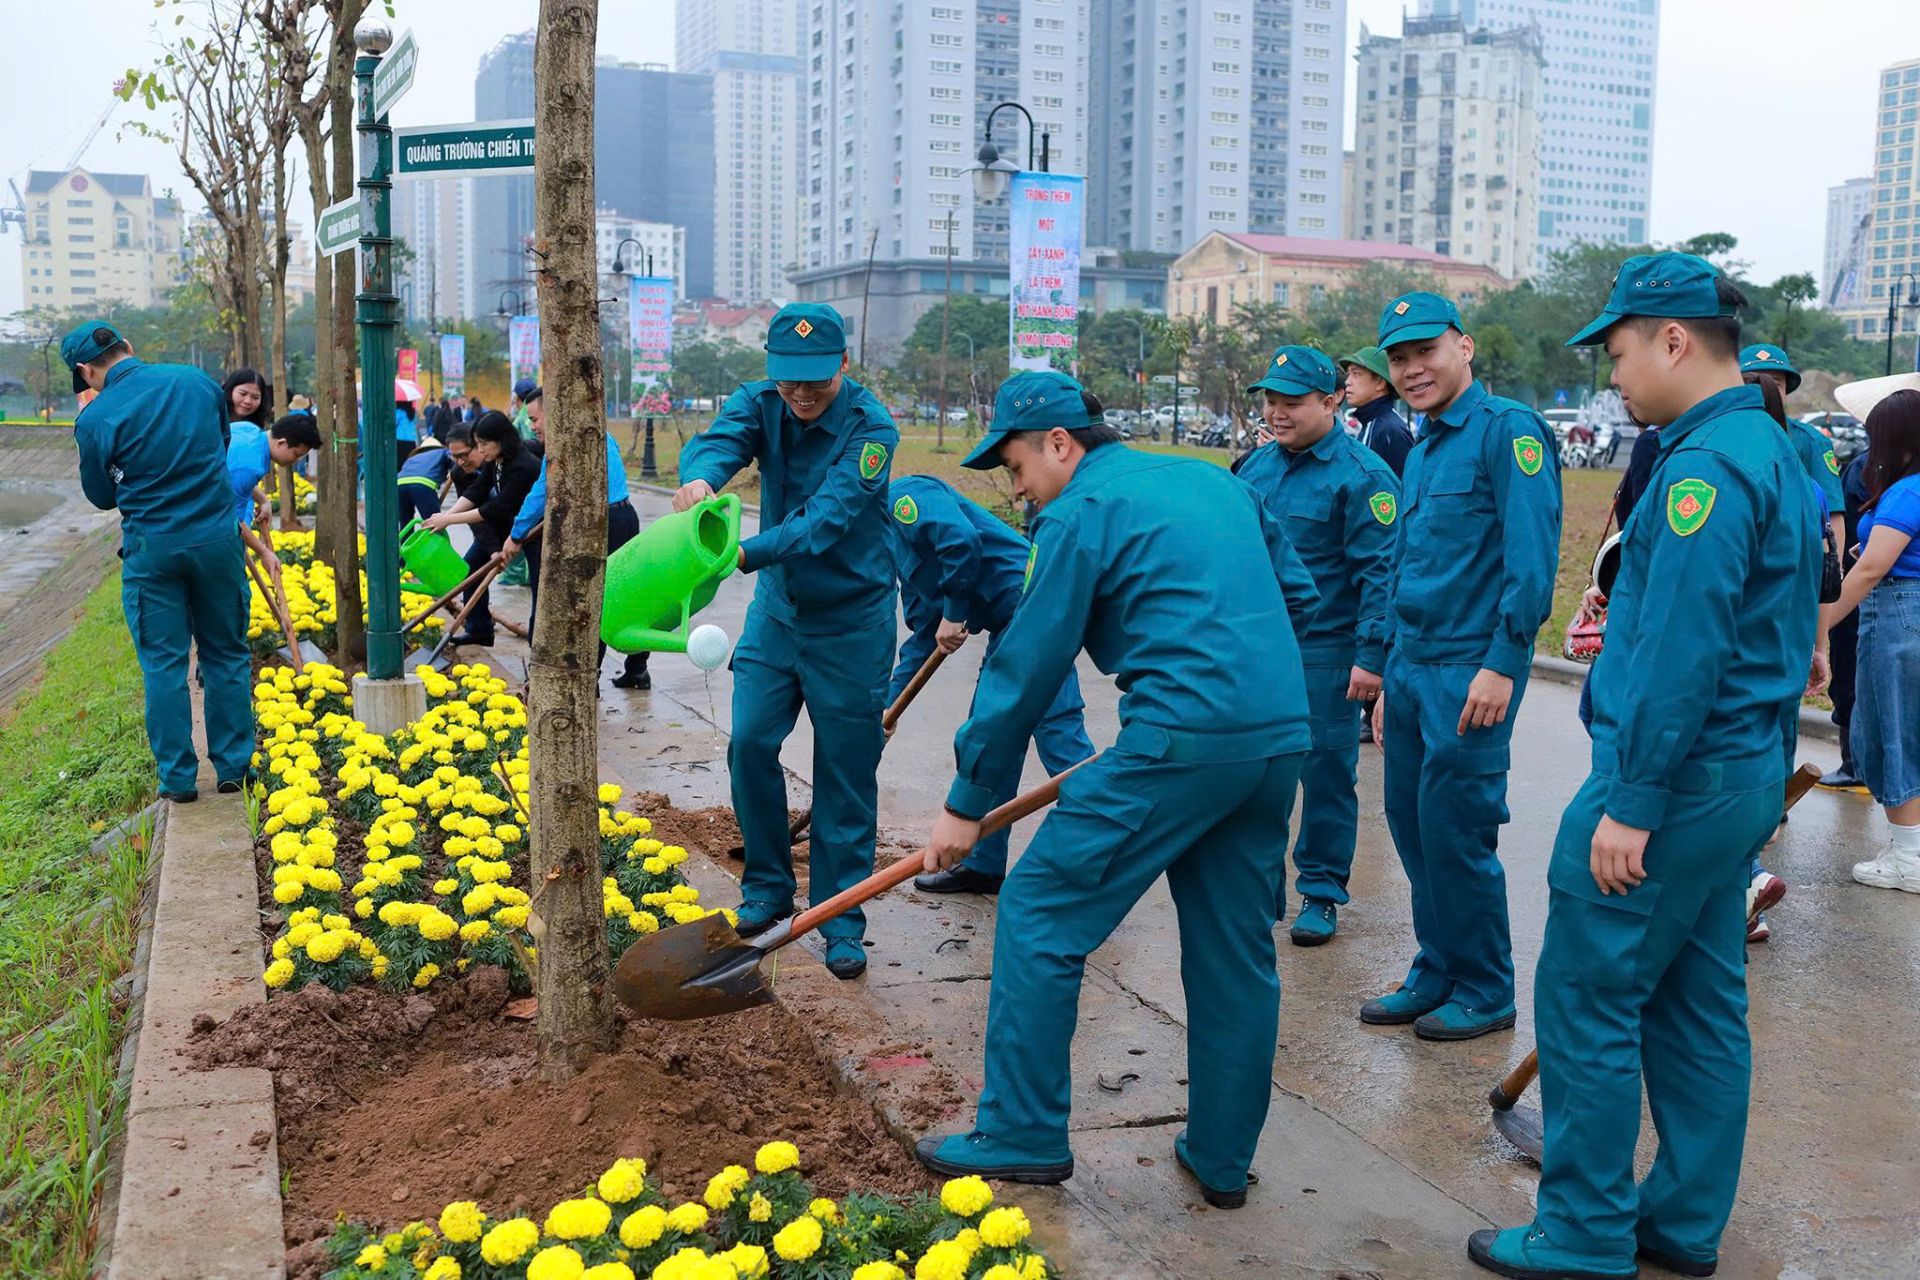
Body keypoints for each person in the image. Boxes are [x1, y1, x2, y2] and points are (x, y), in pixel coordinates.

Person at [1467, 251, 1821, 1280]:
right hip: (1738, 773)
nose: (1610, 376)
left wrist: (1633, 800)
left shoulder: (1705, 469)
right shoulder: (1770, 449)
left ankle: (1580, 1228)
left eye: (1618, 352)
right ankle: (1680, 1218)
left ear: (1673, 339)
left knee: (1587, 991)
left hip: (1677, 781)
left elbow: (1678, 651)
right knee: (1700, 1000)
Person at [913, 370, 1311, 1211]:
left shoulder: (1078, 512)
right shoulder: (1214, 480)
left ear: (1061, 444)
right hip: (1274, 743)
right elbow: (1299, 596)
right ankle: (1222, 1156)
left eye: (1016, 468)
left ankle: (1020, 1130)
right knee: (1234, 951)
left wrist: (967, 802)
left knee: (1040, 909)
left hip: (1177, 741)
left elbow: (1027, 665)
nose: (1015, 489)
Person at [673, 303, 899, 980]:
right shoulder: (758, 401)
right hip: (778, 614)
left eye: (816, 380)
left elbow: (825, 521)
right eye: (788, 379)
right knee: (749, 743)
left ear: (844, 367)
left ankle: (839, 917)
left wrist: (742, 555)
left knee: (845, 773)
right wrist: (701, 478)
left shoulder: (873, 430)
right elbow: (721, 440)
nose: (800, 393)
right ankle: (767, 889)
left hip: (851, 621)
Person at [1366, 291, 1561, 1041]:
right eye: (1400, 357)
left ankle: (1485, 985)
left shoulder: (1506, 432)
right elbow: (1406, 565)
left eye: (1427, 351)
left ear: (1465, 347)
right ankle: (1437, 967)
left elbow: (1532, 560)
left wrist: (1504, 662)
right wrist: (1386, 675)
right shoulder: (1423, 449)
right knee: (1412, 826)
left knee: (1458, 829)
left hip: (1469, 671)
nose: (1414, 368)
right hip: (1413, 670)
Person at [1235, 346, 1398, 944]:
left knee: (1326, 774)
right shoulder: (1254, 469)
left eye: (1293, 402)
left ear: (1331, 402)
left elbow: (1380, 575)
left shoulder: (1363, 478)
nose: (1278, 413)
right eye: (1271, 401)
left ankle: (1322, 891)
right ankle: (1259, 884)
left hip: (1325, 653)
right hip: (1257, 651)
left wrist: (1370, 658)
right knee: (1256, 771)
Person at [66, 321, 254, 802]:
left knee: (165, 667)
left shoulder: (95, 417)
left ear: (86, 372)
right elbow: (221, 444)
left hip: (153, 550)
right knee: (226, 654)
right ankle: (234, 769)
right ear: (128, 347)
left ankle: (178, 780)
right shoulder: (197, 381)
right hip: (216, 541)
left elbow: (102, 497)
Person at [886, 471, 1095, 896]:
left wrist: (957, 611)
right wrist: (887, 714)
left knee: (1060, 739)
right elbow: (926, 634)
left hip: (1035, 607)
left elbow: (960, 539)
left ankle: (1100, 860)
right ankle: (983, 864)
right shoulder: (889, 552)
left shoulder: (905, 497)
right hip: (1010, 624)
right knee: (991, 741)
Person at [1816, 388, 1920, 892]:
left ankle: (1908, 855)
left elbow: (1872, 569)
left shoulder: (1907, 491)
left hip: (1897, 615)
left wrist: (1822, 624)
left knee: (1889, 728)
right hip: (1911, 610)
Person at [500, 387, 651, 689]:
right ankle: (636, 668)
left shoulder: (564, 443)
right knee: (625, 596)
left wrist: (515, 535)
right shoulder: (601, 434)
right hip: (624, 516)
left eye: (535, 419)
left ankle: (586, 681)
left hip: (602, 524)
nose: (533, 426)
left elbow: (541, 492)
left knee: (591, 602)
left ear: (554, 413)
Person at [425, 411, 542, 647]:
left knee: (541, 588)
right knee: (471, 568)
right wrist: (447, 515)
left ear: (500, 440)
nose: (481, 450)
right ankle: (479, 630)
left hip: (534, 529)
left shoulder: (522, 466)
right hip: (502, 525)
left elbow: (495, 508)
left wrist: (448, 521)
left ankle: (538, 643)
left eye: (482, 445)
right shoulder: (493, 462)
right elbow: (477, 493)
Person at [1820, 444, 1873, 791]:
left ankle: (1854, 764)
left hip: (1855, 584)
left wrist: (1822, 624)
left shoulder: (1864, 466)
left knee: (1849, 673)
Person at [227, 413, 320, 572]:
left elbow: (230, 478)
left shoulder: (249, 430)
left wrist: (263, 500)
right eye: (296, 455)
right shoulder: (251, 465)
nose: (296, 461)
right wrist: (264, 552)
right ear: (282, 443)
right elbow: (233, 520)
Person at [1338, 345, 1415, 478]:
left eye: (1356, 374)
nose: (1347, 382)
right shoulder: (1372, 424)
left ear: (1380, 382)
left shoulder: (1388, 430)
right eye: (1348, 375)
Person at [397, 427, 453, 527]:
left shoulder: (413, 458)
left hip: (399, 485)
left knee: (405, 522)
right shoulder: (442, 452)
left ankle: (406, 542)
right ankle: (434, 542)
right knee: (434, 523)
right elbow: (453, 457)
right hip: (422, 485)